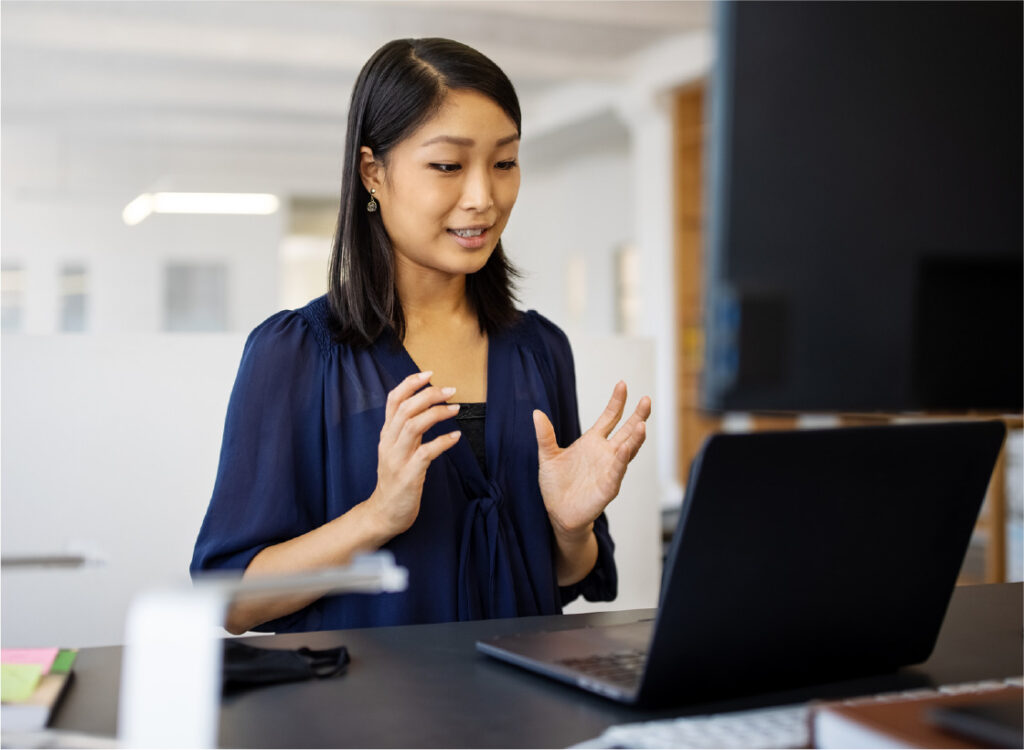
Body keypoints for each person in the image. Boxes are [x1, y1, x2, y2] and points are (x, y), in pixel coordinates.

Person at [190, 38, 651, 635]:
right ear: (373, 172)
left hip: (522, 717)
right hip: (367, 719)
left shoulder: (539, 349)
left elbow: (570, 576)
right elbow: (229, 601)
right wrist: (377, 516)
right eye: (448, 166)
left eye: (505, 162)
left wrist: (570, 528)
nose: (484, 197)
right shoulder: (297, 354)